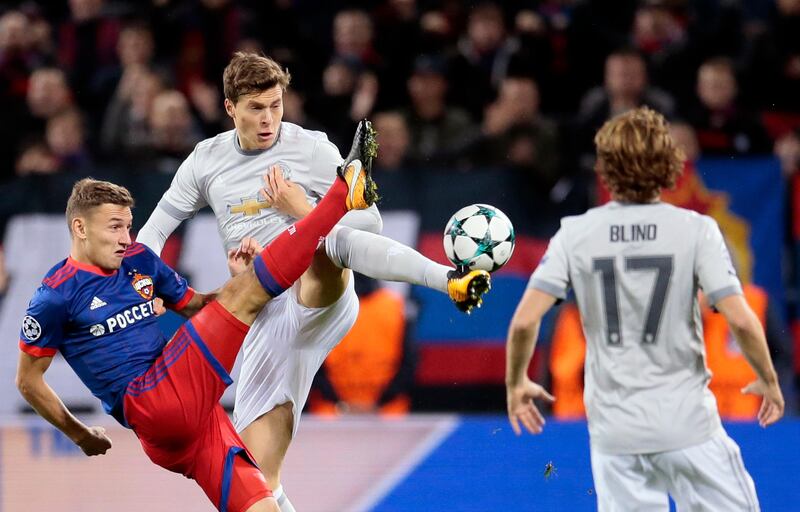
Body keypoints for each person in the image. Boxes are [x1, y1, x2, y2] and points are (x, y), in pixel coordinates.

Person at [136, 51, 490, 511]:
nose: (268, 120)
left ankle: (451, 281)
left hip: (317, 293)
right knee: (256, 482)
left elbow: (372, 224)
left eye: (275, 106)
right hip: (266, 319)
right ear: (229, 108)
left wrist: (303, 210)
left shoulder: (311, 148)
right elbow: (153, 232)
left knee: (325, 243)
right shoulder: (206, 161)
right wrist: (149, 285)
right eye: (255, 108)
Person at [15, 134, 377, 512]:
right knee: (248, 292)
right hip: (150, 402)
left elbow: (199, 307)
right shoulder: (55, 295)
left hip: (193, 423)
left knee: (262, 506)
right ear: (80, 228)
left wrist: (237, 280)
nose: (125, 239)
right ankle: (341, 194)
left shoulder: (139, 260)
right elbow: (27, 380)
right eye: (114, 228)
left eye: (128, 227)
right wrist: (80, 435)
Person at [505, 107, 784, 511]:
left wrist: (517, 384)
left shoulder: (575, 233)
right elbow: (739, 317)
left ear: (604, 168)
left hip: (615, 429)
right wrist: (768, 379)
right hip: (685, 421)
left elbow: (525, 321)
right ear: (671, 165)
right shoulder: (696, 229)